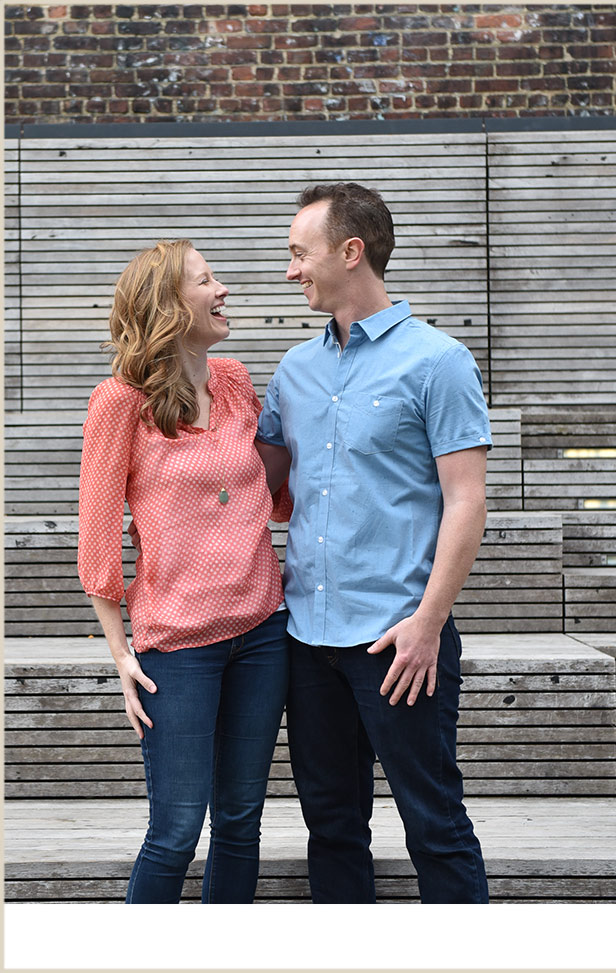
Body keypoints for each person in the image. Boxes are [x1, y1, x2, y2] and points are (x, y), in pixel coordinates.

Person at [255, 182, 492, 903]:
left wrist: (427, 624)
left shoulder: (438, 361)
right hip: (307, 641)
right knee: (330, 826)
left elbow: (466, 499)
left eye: (301, 254)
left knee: (435, 824)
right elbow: (248, 485)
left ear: (350, 252)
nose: (291, 270)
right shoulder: (294, 372)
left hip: (400, 641)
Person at [78, 240, 292, 903]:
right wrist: (120, 653)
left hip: (263, 631)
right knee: (174, 828)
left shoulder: (232, 379)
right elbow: (95, 533)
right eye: (207, 280)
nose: (223, 289)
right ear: (170, 306)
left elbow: (272, 490)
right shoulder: (120, 402)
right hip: (177, 647)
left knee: (239, 821)